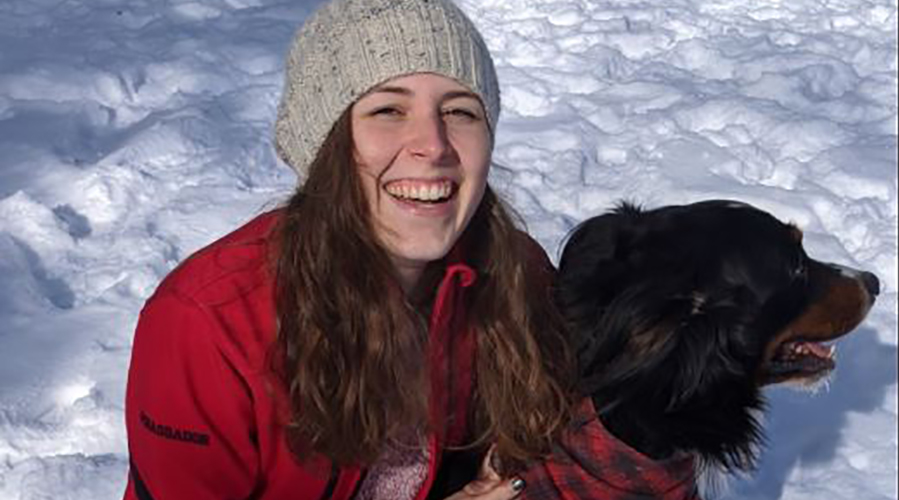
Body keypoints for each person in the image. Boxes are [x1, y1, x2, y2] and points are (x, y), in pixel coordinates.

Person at [122, 0, 575, 498]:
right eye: (388, 110)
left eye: (460, 111)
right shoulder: (208, 325)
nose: (434, 144)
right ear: (327, 146)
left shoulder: (516, 274)